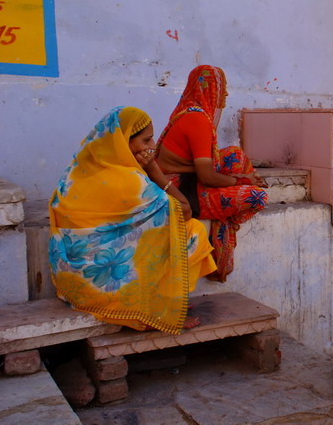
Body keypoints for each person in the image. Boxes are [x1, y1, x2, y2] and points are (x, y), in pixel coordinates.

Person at [49, 107, 216, 334]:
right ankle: (154, 312)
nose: (152, 146)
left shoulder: (79, 170)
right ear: (122, 142)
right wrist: (155, 172)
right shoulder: (130, 180)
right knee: (193, 230)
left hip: (74, 281)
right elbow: (184, 211)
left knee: (154, 232)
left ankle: (164, 300)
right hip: (106, 285)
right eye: (146, 140)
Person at [156, 65, 267, 282]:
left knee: (235, 155)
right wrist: (240, 181)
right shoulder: (198, 121)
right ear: (209, 89)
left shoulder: (189, 111)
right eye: (222, 88)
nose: (225, 94)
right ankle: (222, 220)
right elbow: (206, 176)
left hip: (184, 176)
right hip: (182, 190)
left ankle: (223, 209)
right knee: (256, 196)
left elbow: (203, 166)